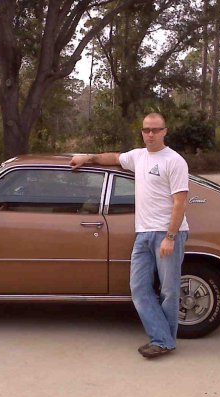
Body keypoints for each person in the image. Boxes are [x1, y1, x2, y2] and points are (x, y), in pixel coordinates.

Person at [70, 113, 189, 359]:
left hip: (166, 233)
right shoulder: (138, 156)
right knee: (139, 288)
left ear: (165, 131)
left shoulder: (174, 161)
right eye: (146, 130)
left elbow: (180, 202)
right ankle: (164, 339)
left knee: (168, 290)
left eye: (155, 130)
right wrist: (87, 158)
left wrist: (170, 237)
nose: (150, 134)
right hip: (143, 234)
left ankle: (162, 341)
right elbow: (113, 158)